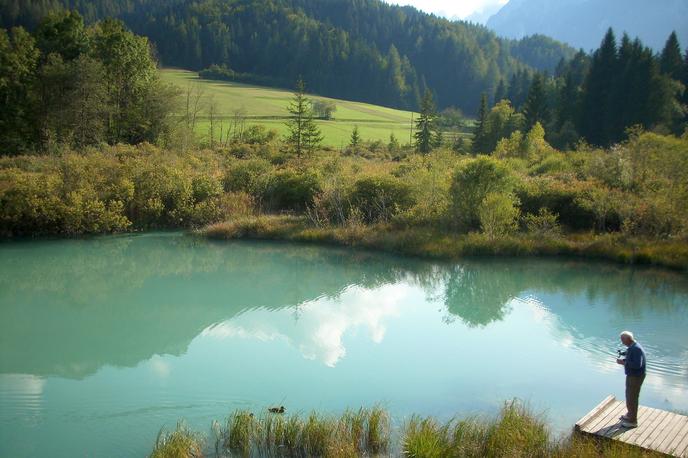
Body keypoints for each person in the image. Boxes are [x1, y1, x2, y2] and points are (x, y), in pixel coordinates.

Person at [616, 330, 646, 428]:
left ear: (628, 339)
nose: (622, 342)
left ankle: (633, 422)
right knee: (629, 396)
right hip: (632, 376)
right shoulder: (632, 347)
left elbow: (638, 365)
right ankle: (629, 415)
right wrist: (624, 356)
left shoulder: (636, 349)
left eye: (622, 340)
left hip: (636, 377)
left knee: (632, 398)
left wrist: (623, 363)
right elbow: (630, 355)